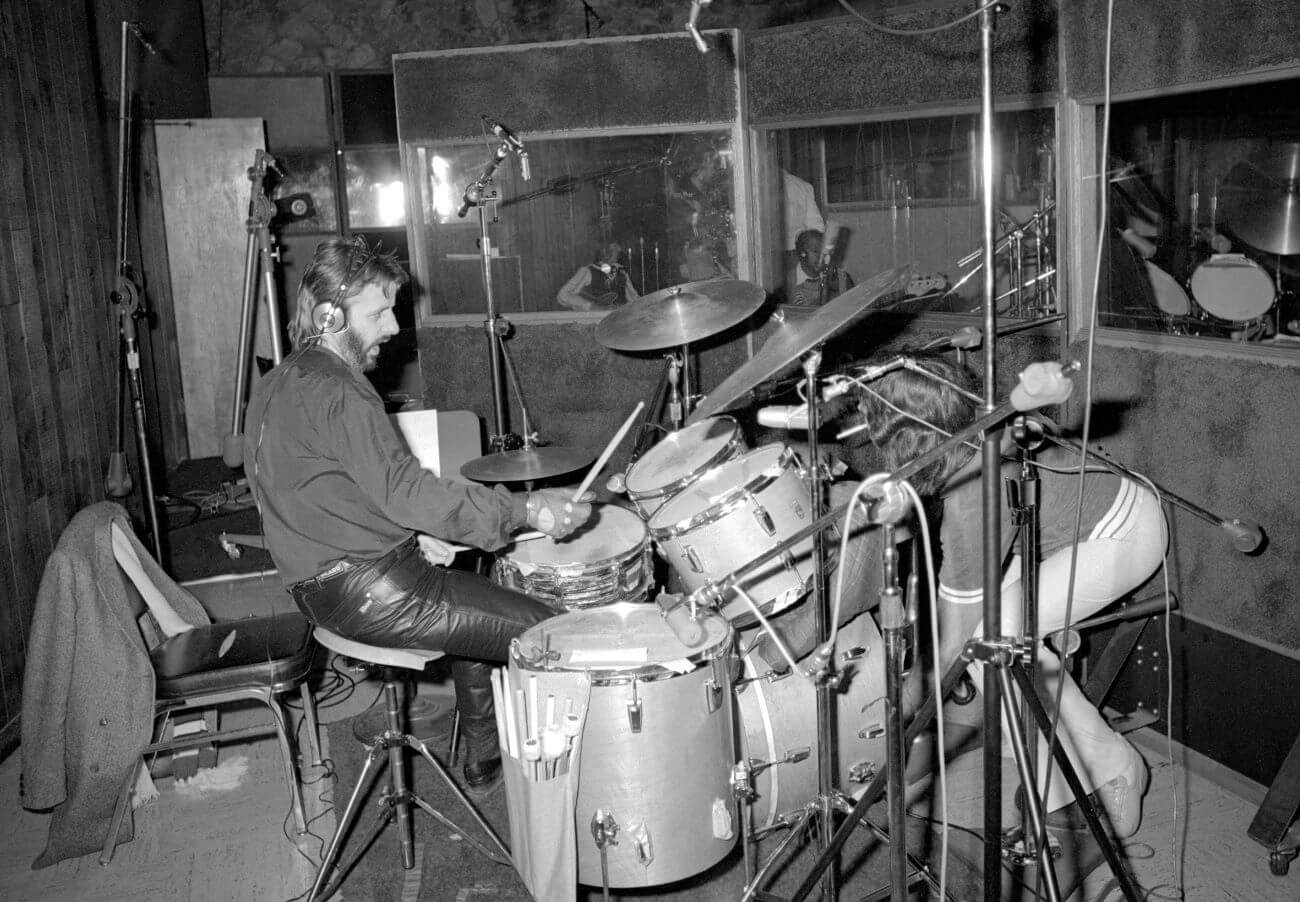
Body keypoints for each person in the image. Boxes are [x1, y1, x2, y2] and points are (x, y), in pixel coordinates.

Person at [244, 237, 593, 790]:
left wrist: (404, 535)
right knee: (554, 632)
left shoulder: (276, 384)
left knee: (470, 593)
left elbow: (312, 490)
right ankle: (588, 788)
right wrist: (528, 509)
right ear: (330, 315)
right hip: (369, 593)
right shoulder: (341, 392)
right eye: (378, 313)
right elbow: (409, 491)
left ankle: (483, 746)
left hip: (318, 587)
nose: (390, 329)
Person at [854, 352, 1166, 838]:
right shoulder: (973, 431)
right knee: (989, 637)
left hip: (1121, 532)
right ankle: (1057, 773)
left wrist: (907, 698)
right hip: (1059, 528)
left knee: (988, 639)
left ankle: (1115, 767)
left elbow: (956, 633)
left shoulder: (970, 491)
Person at [556, 241, 639, 310]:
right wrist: (589, 306)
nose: (615, 253)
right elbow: (563, 295)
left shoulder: (622, 273)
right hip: (593, 320)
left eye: (616, 250)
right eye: (612, 250)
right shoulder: (587, 271)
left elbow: (635, 300)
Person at [789, 228, 855, 306]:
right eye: (815, 251)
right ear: (802, 253)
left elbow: (853, 306)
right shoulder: (788, 280)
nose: (821, 256)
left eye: (823, 251)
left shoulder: (840, 277)